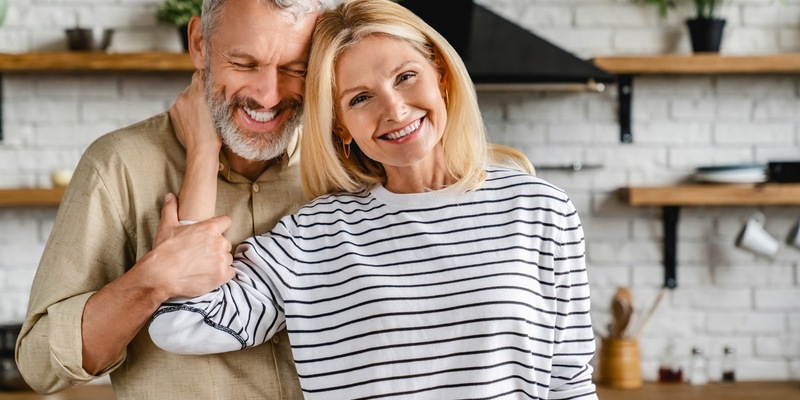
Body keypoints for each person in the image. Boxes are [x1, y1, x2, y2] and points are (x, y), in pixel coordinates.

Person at [149, 0, 597, 398]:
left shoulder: (540, 209)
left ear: (440, 75)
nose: (395, 110)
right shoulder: (314, 237)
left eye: (406, 77)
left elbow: (569, 384)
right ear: (340, 126)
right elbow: (182, 323)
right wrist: (204, 149)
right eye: (361, 98)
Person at [15, 0, 335, 398]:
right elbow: (40, 365)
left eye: (296, 69)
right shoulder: (118, 165)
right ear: (200, 43)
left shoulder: (346, 163)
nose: (268, 96)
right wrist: (150, 283)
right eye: (244, 63)